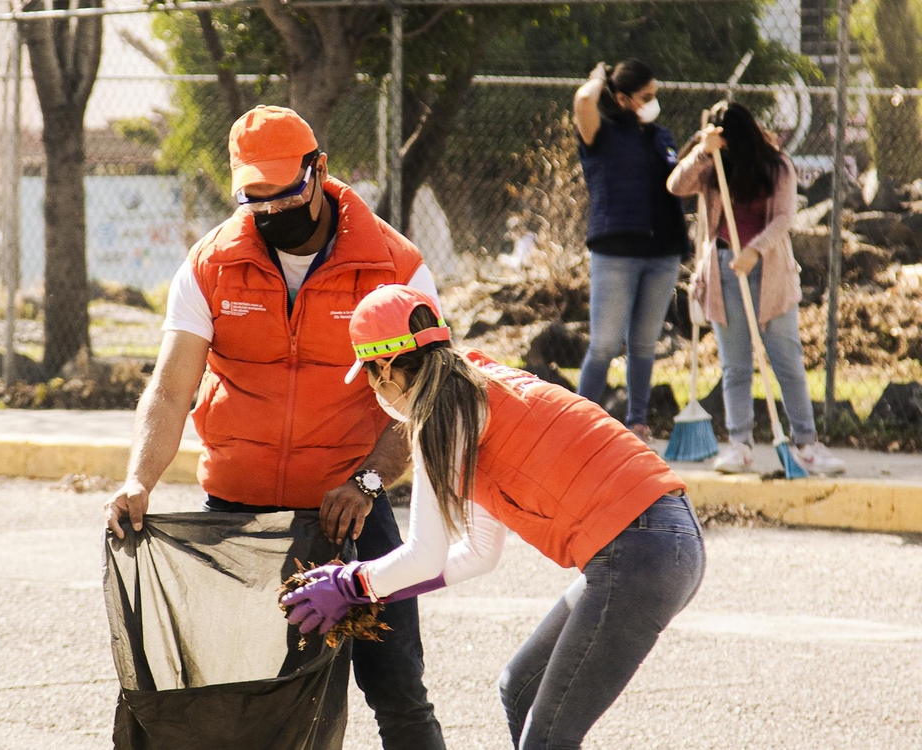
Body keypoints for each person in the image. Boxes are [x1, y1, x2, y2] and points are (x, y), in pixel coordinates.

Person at [105, 105, 447, 749]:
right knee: (239, 695)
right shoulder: (211, 264)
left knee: (398, 691)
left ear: (319, 170)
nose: (271, 210)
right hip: (240, 518)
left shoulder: (394, 267)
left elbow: (426, 399)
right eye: (255, 197)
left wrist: (368, 483)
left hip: (350, 513)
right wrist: (138, 480)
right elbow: (171, 388)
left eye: (285, 192)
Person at [282, 284, 706, 749]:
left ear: (383, 366)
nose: (370, 387)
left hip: (641, 551)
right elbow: (479, 552)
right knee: (520, 689)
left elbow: (424, 555)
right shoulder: (472, 386)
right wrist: (374, 590)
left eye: (367, 374)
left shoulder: (442, 412)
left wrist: (351, 583)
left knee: (547, 740)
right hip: (663, 540)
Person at [666, 100, 846, 476]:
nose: (725, 148)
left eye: (727, 141)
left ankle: (806, 443)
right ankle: (740, 445)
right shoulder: (713, 166)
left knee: (787, 362)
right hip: (723, 272)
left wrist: (754, 251)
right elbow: (676, 185)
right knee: (736, 366)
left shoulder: (777, 166)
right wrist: (703, 152)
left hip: (770, 272)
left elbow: (783, 217)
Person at [572, 59, 692, 443]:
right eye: (645, 96)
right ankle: (576, 426)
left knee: (644, 344)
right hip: (616, 251)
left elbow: (677, 182)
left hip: (663, 253)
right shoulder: (600, 134)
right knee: (605, 344)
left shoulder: (660, 136)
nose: (653, 102)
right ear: (622, 98)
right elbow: (583, 102)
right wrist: (599, 79)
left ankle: (637, 422)